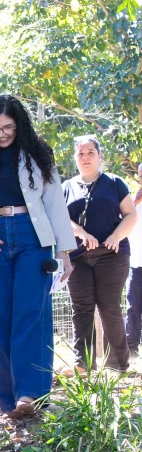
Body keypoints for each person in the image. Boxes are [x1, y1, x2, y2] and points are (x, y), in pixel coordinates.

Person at [0, 94, 76, 419]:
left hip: (32, 235)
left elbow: (54, 203)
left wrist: (65, 252)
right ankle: (9, 401)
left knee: (30, 313)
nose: (2, 134)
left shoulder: (38, 153)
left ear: (19, 125)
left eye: (8, 127)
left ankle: (30, 395)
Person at [62, 135, 137, 372]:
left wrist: (116, 236)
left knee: (109, 307)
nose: (85, 157)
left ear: (99, 156)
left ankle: (117, 366)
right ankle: (82, 364)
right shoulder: (66, 187)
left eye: (90, 152)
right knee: (81, 308)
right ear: (75, 158)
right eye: (81, 153)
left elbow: (131, 214)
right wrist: (81, 232)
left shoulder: (114, 182)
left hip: (111, 255)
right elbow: (61, 219)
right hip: (78, 256)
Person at [127, 163, 142, 358]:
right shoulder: (131, 201)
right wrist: (135, 202)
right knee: (133, 308)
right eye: (141, 176)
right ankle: (131, 350)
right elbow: (119, 221)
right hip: (136, 264)